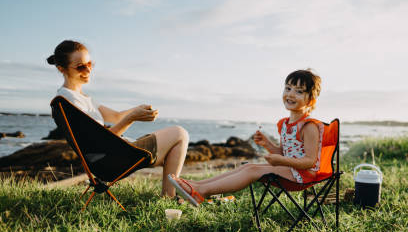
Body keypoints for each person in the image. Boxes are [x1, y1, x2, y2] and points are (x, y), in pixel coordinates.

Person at [47, 40, 189, 198]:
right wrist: (131, 118)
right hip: (110, 161)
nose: (88, 69)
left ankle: (171, 195)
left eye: (90, 64)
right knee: (179, 133)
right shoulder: (68, 101)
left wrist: (136, 111)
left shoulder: (81, 98)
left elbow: (115, 117)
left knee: (175, 144)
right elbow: (100, 143)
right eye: (80, 66)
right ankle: (169, 196)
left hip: (112, 154)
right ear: (62, 69)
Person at [169, 69, 324, 206]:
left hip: (303, 176)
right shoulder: (285, 124)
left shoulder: (308, 126)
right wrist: (268, 144)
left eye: (299, 91)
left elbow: (309, 161)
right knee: (247, 167)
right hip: (290, 169)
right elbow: (285, 154)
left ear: (311, 100)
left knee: (253, 170)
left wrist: (281, 161)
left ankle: (202, 191)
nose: (290, 94)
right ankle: (196, 185)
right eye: (288, 88)